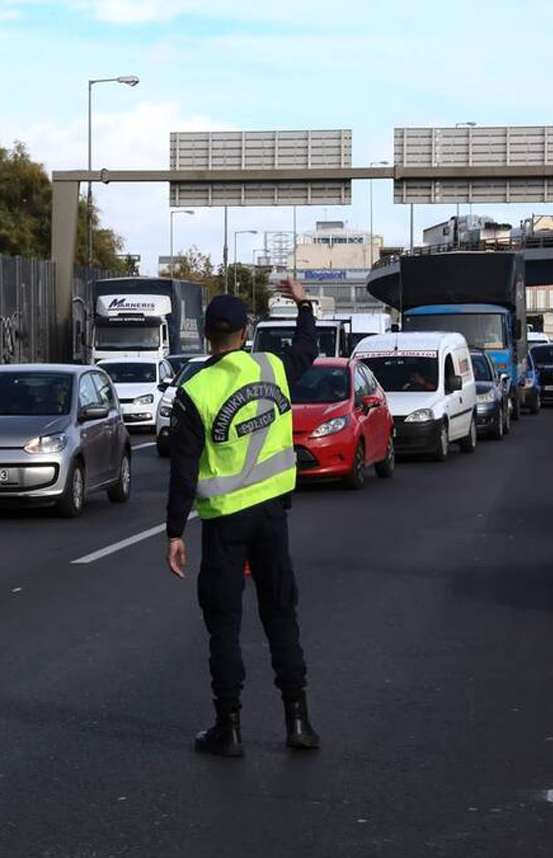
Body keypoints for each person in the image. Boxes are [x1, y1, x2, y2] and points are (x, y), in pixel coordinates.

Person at [165, 278, 320, 758]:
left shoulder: (194, 390)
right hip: (272, 515)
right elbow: (307, 347)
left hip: (224, 524)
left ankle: (228, 728)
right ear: (246, 332)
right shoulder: (272, 367)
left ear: (205, 335)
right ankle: (298, 722)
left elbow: (183, 471)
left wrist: (174, 532)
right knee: (280, 614)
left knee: (224, 624)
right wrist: (302, 303)